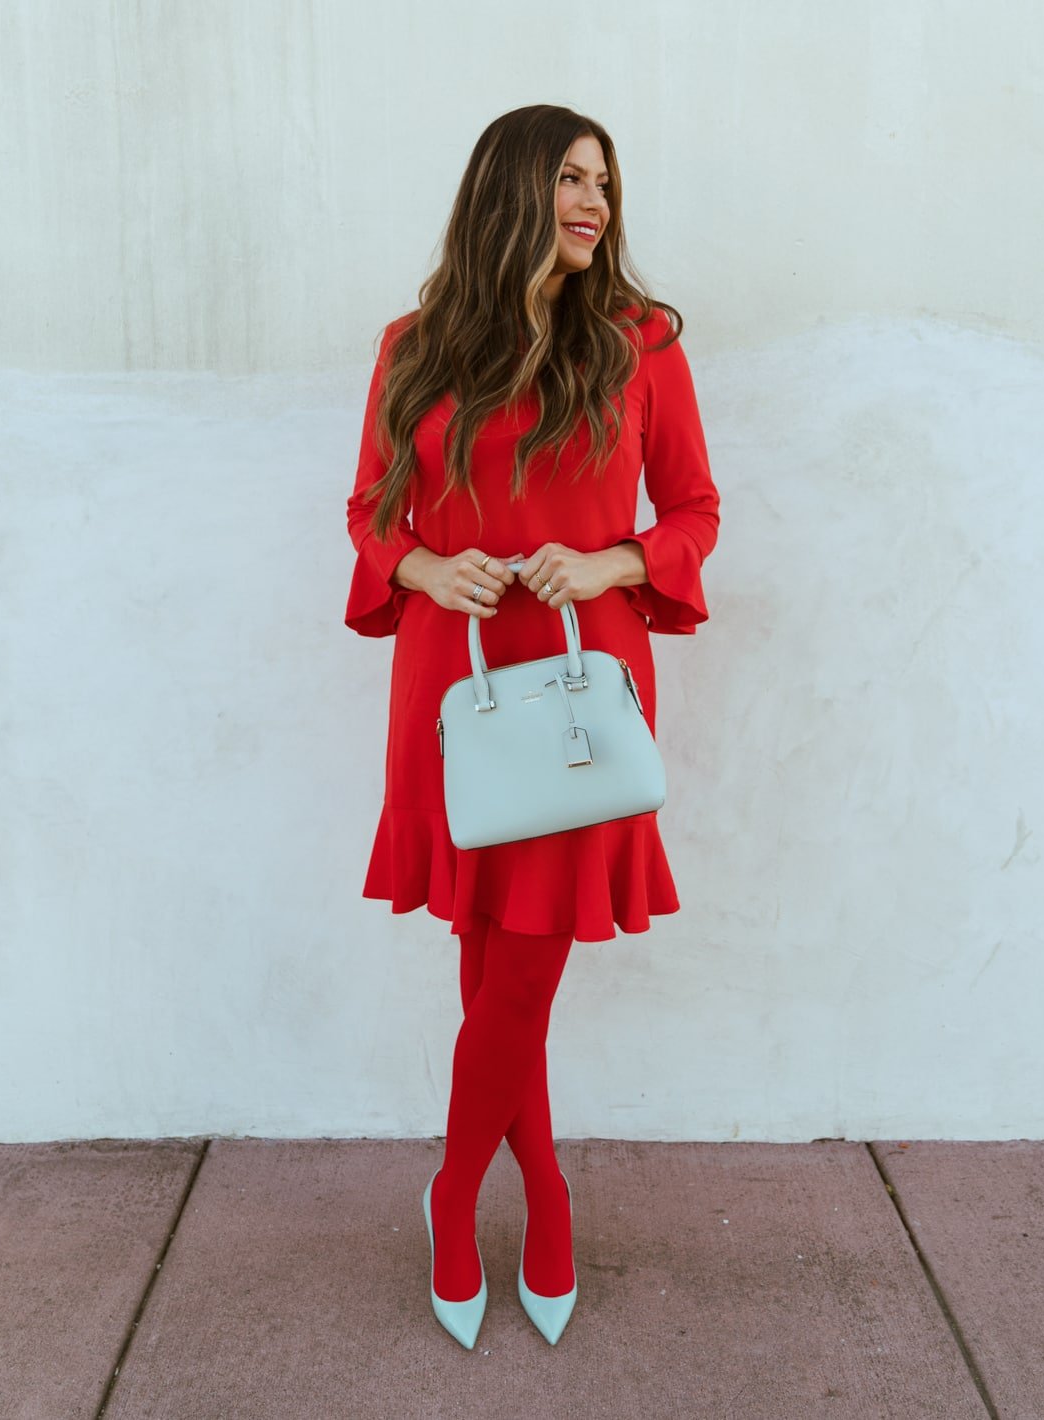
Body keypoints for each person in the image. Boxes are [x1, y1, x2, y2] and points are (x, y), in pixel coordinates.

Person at [343, 104, 720, 1350]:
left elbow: (696, 511)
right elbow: (368, 516)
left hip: (577, 695)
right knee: (494, 962)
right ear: (512, 188)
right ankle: (538, 1195)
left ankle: (466, 1196)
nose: (594, 203)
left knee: (520, 971)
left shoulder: (641, 343)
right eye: (568, 178)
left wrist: (612, 558)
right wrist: (418, 571)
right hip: (453, 685)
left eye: (604, 182)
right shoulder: (414, 344)